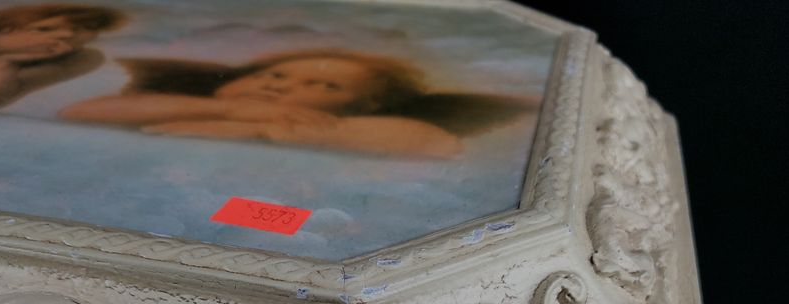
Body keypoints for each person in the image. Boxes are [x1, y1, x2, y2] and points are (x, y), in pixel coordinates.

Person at [62, 49, 537, 158]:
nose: (281, 88)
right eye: (272, 75)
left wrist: (262, 128)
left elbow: (434, 143)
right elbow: (82, 113)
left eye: (325, 87)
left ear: (366, 106)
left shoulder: (366, 127)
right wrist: (234, 112)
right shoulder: (176, 102)